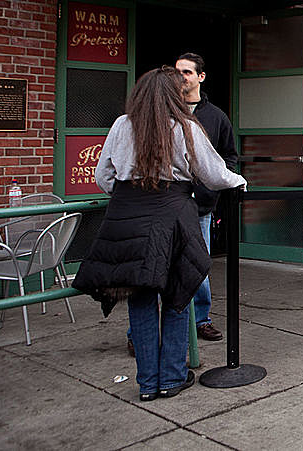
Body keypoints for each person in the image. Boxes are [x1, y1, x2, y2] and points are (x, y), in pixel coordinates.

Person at [73, 68, 246, 401]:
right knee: (177, 296)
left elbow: (103, 176)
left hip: (126, 214)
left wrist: (129, 195)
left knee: (139, 298)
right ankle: (171, 378)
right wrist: (239, 182)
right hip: (172, 214)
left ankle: (147, 384)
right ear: (174, 95)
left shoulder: (122, 125)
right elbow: (213, 174)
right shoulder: (186, 128)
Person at [174, 52, 236, 343]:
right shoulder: (164, 110)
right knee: (160, 266)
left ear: (200, 76)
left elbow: (228, 158)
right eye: (178, 72)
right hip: (167, 205)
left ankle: (201, 319)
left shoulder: (215, 117)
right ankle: (145, 329)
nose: (181, 77)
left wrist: (215, 189)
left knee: (198, 264)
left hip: (200, 207)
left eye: (187, 72)